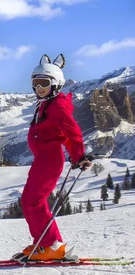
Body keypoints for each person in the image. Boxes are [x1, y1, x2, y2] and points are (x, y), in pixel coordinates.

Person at [14, 54, 91, 261]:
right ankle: (45, 243)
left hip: (49, 160)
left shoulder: (56, 106)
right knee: (30, 200)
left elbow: (71, 131)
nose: (38, 88)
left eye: (44, 83)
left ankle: (50, 245)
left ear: (55, 84)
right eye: (35, 83)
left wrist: (79, 155)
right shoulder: (47, 103)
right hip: (44, 158)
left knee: (33, 201)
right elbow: (61, 133)